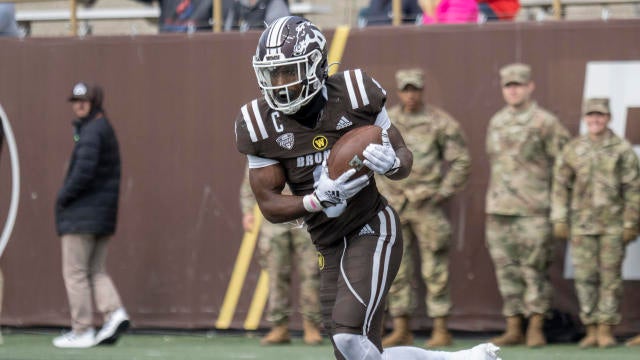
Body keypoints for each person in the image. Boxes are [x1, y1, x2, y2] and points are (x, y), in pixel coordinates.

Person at [235, 15, 501, 360]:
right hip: (327, 242)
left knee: (349, 336)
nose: (281, 84)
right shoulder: (256, 123)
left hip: (372, 227)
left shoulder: (356, 92)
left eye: (290, 72)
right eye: (273, 74)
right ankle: (462, 359)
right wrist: (315, 201)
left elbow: (403, 156)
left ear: (316, 66)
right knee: (353, 353)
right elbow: (269, 205)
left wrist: (391, 163)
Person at [378, 69, 471, 348]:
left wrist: (441, 192)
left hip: (427, 206)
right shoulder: (385, 123)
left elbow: (462, 161)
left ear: (422, 90)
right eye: (405, 89)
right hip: (395, 206)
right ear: (398, 91)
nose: (410, 95)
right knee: (397, 269)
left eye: (415, 89)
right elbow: (370, 159)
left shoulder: (440, 122)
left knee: (435, 270)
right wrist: (384, 193)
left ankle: (441, 329)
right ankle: (401, 328)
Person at [485, 63, 570, 348]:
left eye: (519, 84)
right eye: (508, 85)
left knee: (534, 270)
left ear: (530, 86)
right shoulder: (496, 121)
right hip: (499, 210)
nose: (513, 90)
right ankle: (514, 327)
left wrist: (559, 211)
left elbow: (564, 167)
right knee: (506, 270)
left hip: (534, 209)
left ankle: (535, 326)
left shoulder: (545, 122)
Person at [551, 98, 640, 348]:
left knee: (610, 279)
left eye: (600, 115)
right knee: (584, 278)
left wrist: (631, 223)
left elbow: (633, 189)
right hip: (581, 227)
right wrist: (559, 218)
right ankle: (590, 329)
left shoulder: (622, 149)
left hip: (613, 227)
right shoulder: (573, 149)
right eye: (591, 115)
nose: (595, 120)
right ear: (584, 118)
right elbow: (560, 186)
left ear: (609, 117)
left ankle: (606, 329)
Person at [53, 82, 129, 348]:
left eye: (84, 100)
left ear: (94, 102)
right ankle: (114, 312)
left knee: (75, 273)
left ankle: (82, 329)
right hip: (101, 216)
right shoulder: (101, 128)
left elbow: (83, 173)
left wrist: (62, 198)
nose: (79, 105)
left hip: (82, 217)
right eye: (75, 100)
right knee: (95, 270)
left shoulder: (92, 132)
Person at [239, 165, 323, 345]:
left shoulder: (305, 139)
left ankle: (311, 325)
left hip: (306, 213)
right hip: (274, 216)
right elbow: (252, 176)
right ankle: (279, 327)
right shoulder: (265, 142)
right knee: (276, 272)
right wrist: (248, 211)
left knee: (311, 272)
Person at [224, 0, 290, 32]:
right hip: (241, 49)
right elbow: (228, 31)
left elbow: (276, 33)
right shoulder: (238, 4)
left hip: (266, 51)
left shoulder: (275, 2)